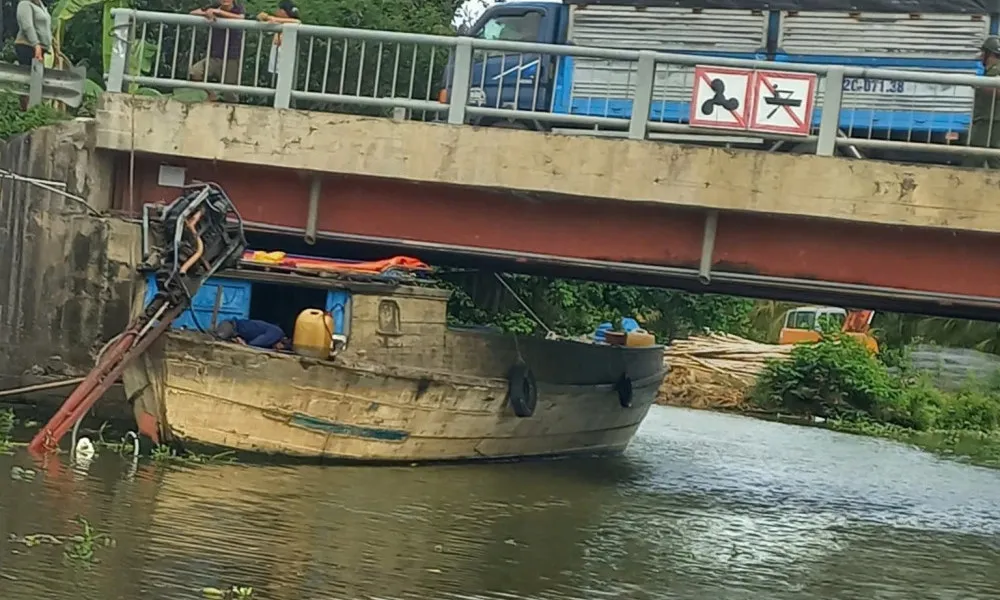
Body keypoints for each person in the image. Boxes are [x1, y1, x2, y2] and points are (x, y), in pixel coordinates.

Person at [190, 0, 246, 102]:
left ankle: (233, 110)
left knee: (230, 91)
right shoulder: (215, 6)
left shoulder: (237, 7)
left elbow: (241, 17)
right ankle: (212, 95)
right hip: (215, 55)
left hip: (232, 57)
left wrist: (219, 12)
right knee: (195, 71)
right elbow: (193, 13)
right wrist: (207, 13)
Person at [965, 35, 1000, 168]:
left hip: (990, 121)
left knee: (974, 157)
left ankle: (964, 179)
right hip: (988, 120)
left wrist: (980, 85)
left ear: (989, 54)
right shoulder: (990, 70)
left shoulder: (996, 69)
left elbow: (996, 90)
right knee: (993, 158)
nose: (980, 56)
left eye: (983, 53)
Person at [258, 0, 300, 77]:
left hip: (286, 64)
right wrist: (263, 18)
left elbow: (297, 21)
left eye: (279, 9)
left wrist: (269, 17)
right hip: (275, 65)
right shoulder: (276, 23)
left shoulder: (293, 24)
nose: (277, 11)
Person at [215, 319, 289, 350]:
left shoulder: (276, 332)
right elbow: (256, 343)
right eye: (280, 348)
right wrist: (246, 344)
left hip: (232, 329)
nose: (276, 349)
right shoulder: (276, 334)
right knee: (217, 343)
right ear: (282, 342)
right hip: (229, 327)